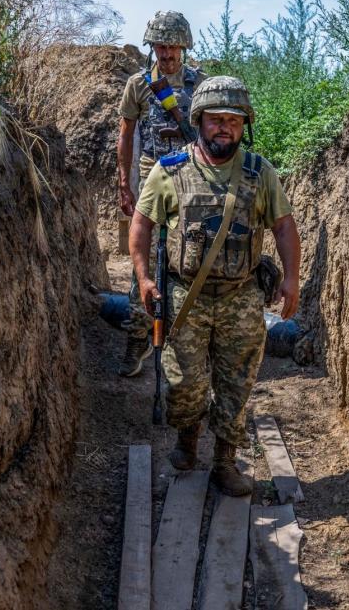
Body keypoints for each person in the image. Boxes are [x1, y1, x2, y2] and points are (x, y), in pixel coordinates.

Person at [128, 76, 301, 496]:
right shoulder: (170, 172)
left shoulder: (261, 174)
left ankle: (224, 460)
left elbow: (283, 226)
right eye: (216, 119)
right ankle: (188, 439)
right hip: (185, 295)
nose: (224, 127)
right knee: (182, 383)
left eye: (233, 121)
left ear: (244, 126)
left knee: (236, 382)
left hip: (241, 295)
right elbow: (142, 225)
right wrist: (145, 279)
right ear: (199, 121)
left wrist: (292, 278)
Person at [115, 11, 207, 377]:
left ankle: (192, 342)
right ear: (151, 46)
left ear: (183, 46)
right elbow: (126, 135)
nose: (166, 52)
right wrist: (125, 184)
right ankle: (138, 338)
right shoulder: (139, 84)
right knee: (146, 259)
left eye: (172, 45)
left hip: (191, 174)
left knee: (193, 255)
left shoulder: (201, 85)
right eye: (160, 45)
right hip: (152, 173)